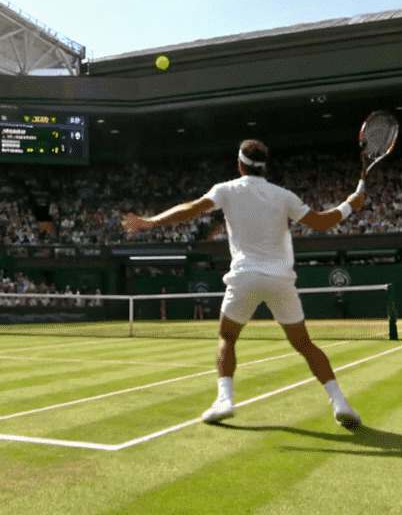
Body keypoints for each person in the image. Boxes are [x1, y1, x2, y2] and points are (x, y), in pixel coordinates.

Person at [122, 139, 367, 429]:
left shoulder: (225, 190)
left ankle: (225, 400)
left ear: (240, 165)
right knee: (304, 344)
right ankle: (340, 402)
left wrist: (150, 222)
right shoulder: (284, 195)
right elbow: (322, 222)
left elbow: (192, 208)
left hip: (245, 276)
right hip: (280, 279)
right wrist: (350, 205)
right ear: (265, 167)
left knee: (227, 337)